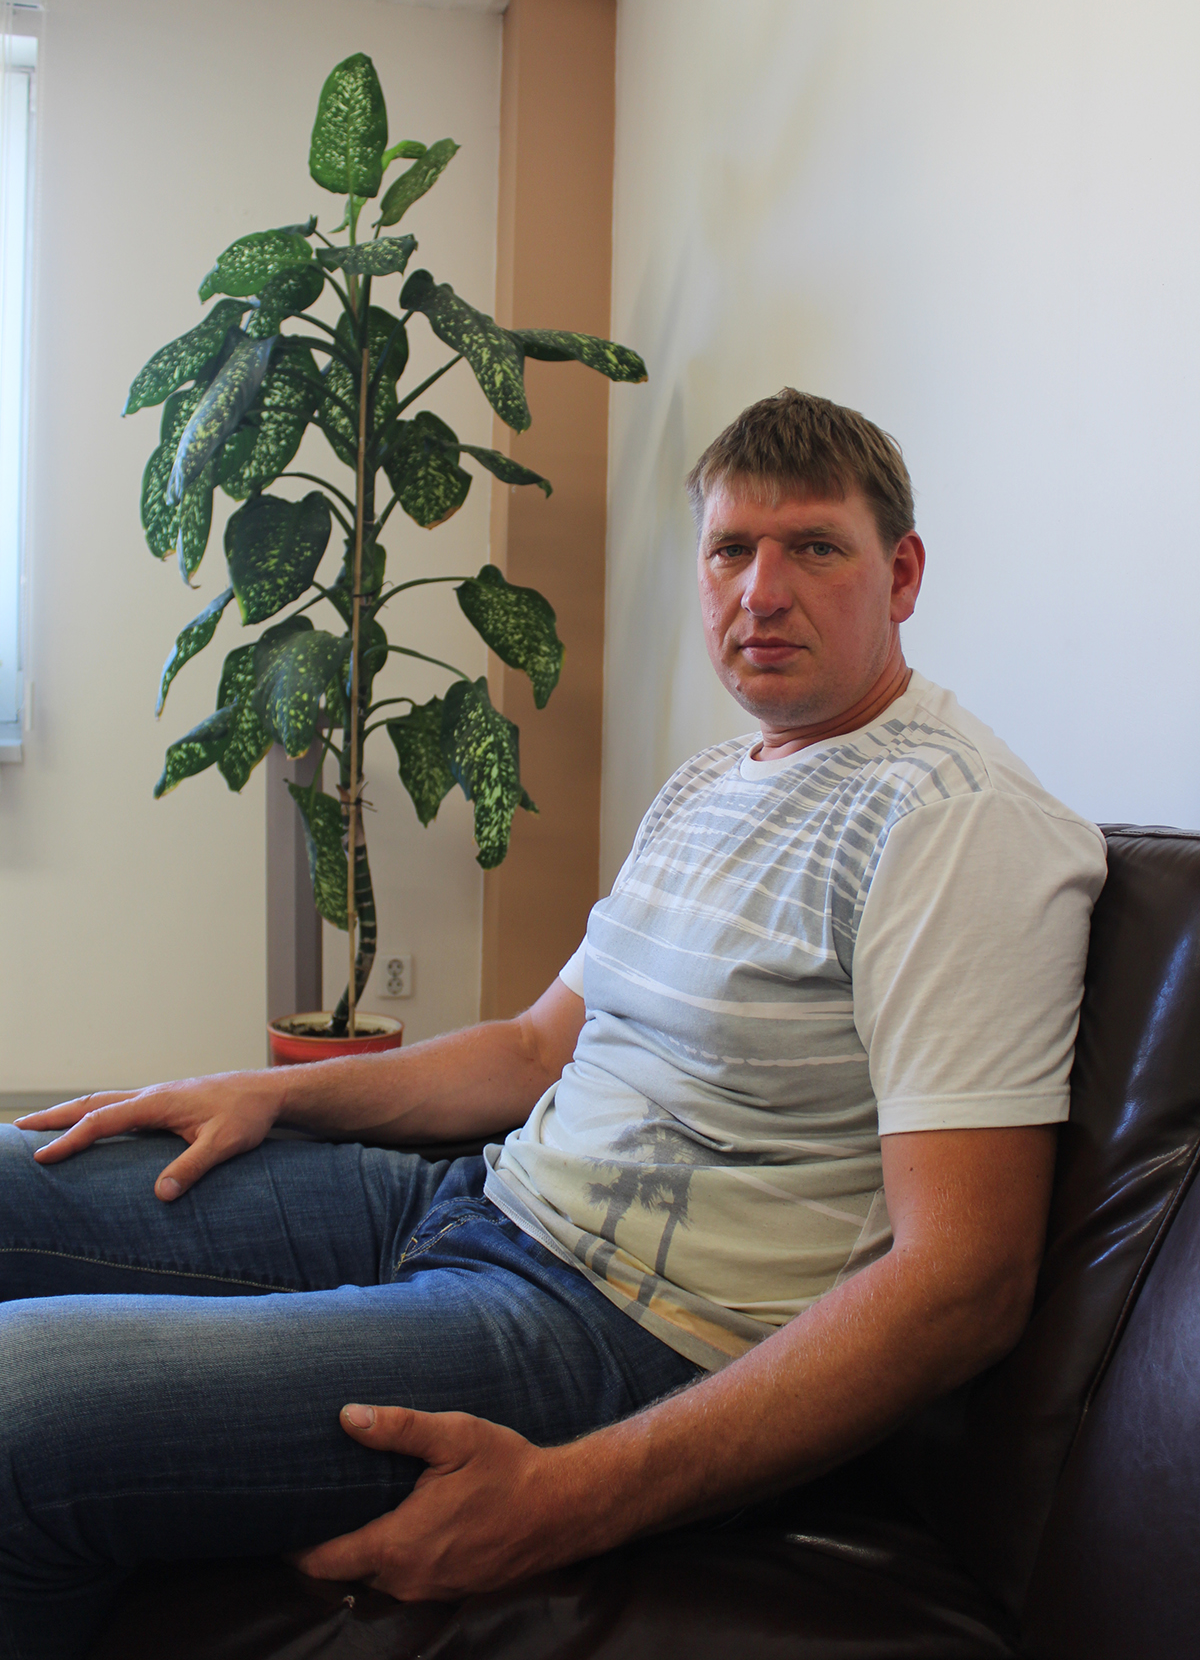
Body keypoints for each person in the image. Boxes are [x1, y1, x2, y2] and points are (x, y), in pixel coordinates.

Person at [0, 389, 1106, 1660]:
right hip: (475, 1203)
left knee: (20, 1409)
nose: (762, 592)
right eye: (731, 550)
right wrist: (268, 1092)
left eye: (815, 547)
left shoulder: (955, 824)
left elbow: (964, 1282)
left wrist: (570, 1499)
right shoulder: (713, 779)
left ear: (901, 574)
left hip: (619, 1334)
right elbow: (538, 1047)